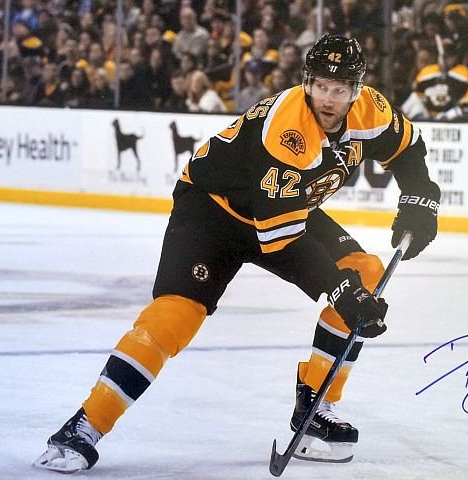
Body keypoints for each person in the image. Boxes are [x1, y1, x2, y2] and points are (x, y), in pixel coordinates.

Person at [34, 34, 440, 474]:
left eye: (339, 89)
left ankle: (315, 408)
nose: (328, 98)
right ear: (307, 82)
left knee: (365, 273)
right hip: (212, 211)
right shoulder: (288, 129)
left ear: (356, 90)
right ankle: (83, 427)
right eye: (321, 86)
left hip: (284, 209)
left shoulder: (372, 110)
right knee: (174, 318)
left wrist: (420, 198)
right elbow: (281, 239)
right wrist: (339, 289)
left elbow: (408, 149)